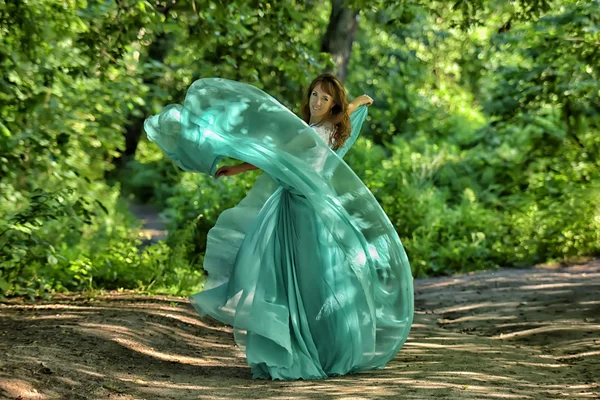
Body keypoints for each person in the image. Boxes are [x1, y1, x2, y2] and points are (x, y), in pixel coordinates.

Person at [144, 74, 414, 380]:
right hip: (288, 204)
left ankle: (320, 345)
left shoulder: (327, 129)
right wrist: (237, 167)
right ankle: (292, 341)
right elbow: (272, 157)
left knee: (315, 275)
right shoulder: (307, 129)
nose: (316, 101)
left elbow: (339, 115)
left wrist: (357, 102)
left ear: (333, 105)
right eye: (314, 94)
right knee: (282, 273)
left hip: (309, 210)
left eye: (324, 98)